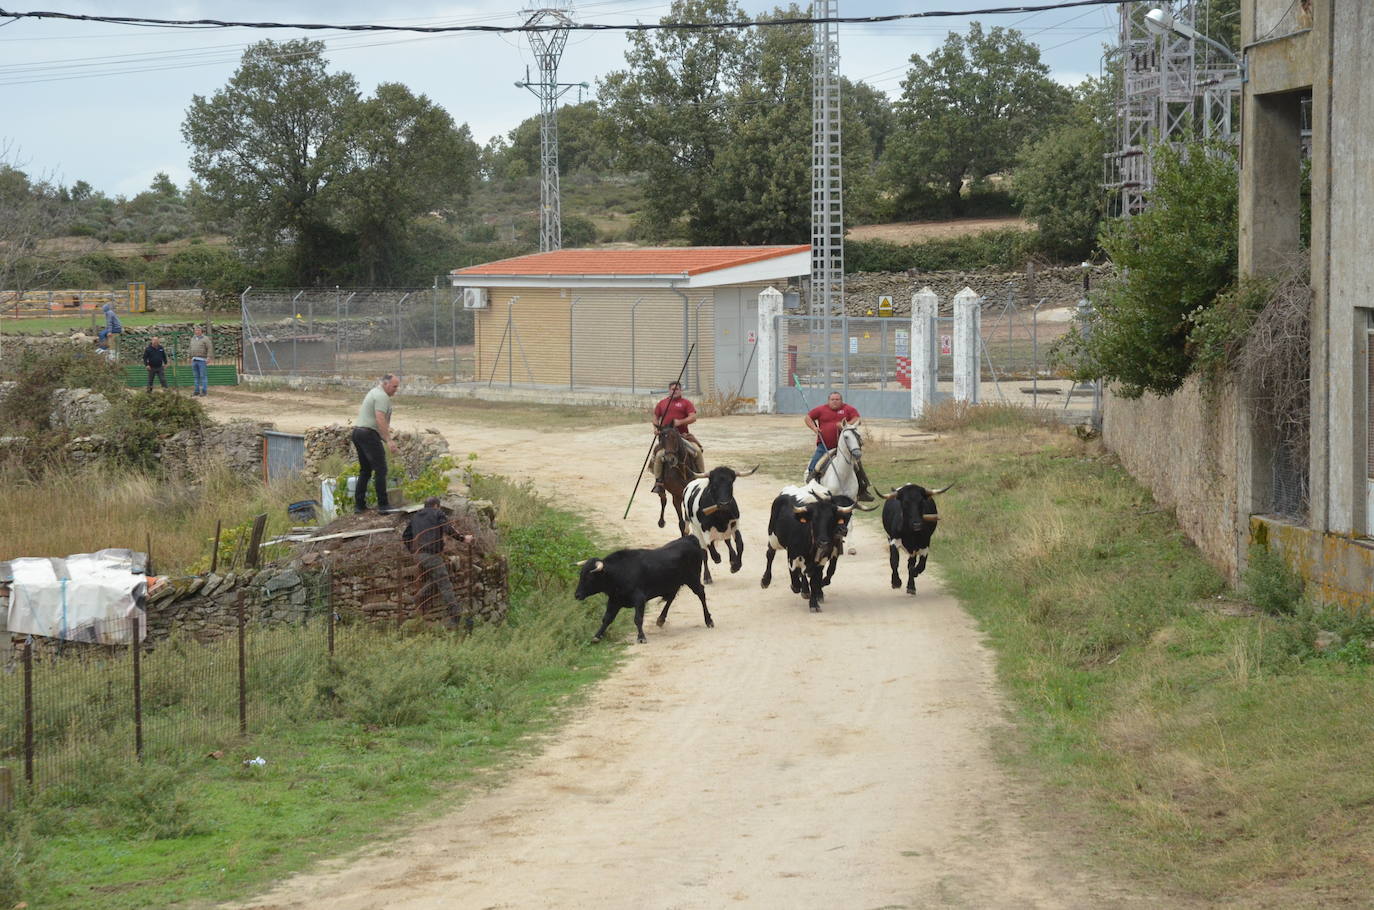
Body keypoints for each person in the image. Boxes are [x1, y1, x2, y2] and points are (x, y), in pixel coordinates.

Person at [403, 496, 476, 631]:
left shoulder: (415, 516)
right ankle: (455, 615)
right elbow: (448, 528)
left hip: (419, 556)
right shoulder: (438, 513)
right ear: (436, 505)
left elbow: (405, 536)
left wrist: (413, 551)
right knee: (445, 583)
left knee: (437, 577)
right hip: (432, 555)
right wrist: (463, 539)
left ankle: (418, 597)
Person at [804, 390, 875, 501]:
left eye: (837, 399)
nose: (835, 402)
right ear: (828, 401)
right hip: (824, 446)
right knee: (814, 466)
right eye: (832, 399)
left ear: (841, 400)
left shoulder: (848, 409)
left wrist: (845, 426)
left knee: (857, 467)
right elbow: (808, 418)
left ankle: (862, 490)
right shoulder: (821, 409)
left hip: (843, 448)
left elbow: (857, 418)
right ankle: (811, 486)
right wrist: (814, 428)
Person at [352, 374, 400, 513]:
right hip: (368, 434)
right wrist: (389, 440)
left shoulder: (374, 392)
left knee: (365, 471)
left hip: (358, 433)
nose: (396, 390)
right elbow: (380, 418)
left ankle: (359, 505)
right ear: (385, 384)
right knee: (381, 469)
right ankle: (383, 505)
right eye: (394, 386)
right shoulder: (382, 396)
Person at [650, 380, 703, 494]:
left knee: (697, 451)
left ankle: (701, 478)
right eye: (672, 389)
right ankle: (658, 482)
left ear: (680, 390)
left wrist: (680, 422)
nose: (674, 391)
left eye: (677, 389)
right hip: (666, 438)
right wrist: (656, 428)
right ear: (669, 390)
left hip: (683, 436)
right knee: (659, 455)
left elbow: (693, 417)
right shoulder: (662, 403)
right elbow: (655, 416)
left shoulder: (686, 403)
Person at [187, 325, 212, 397]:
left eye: (198, 330)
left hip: (202, 360)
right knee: (196, 376)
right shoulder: (193, 339)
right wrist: (189, 357)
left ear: (201, 331)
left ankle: (204, 391)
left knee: (203, 376)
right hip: (194, 360)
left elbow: (210, 348)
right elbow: (190, 348)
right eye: (196, 330)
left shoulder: (205, 339)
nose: (197, 332)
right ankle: (196, 391)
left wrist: (209, 357)